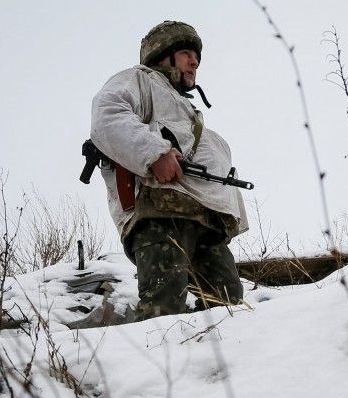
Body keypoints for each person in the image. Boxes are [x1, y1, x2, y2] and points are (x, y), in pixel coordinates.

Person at [89, 20, 248, 318]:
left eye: (196, 57)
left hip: (207, 220)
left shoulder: (188, 110)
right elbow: (108, 114)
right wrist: (154, 154)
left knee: (228, 309)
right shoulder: (140, 80)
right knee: (164, 311)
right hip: (161, 214)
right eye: (187, 52)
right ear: (163, 54)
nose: (195, 61)